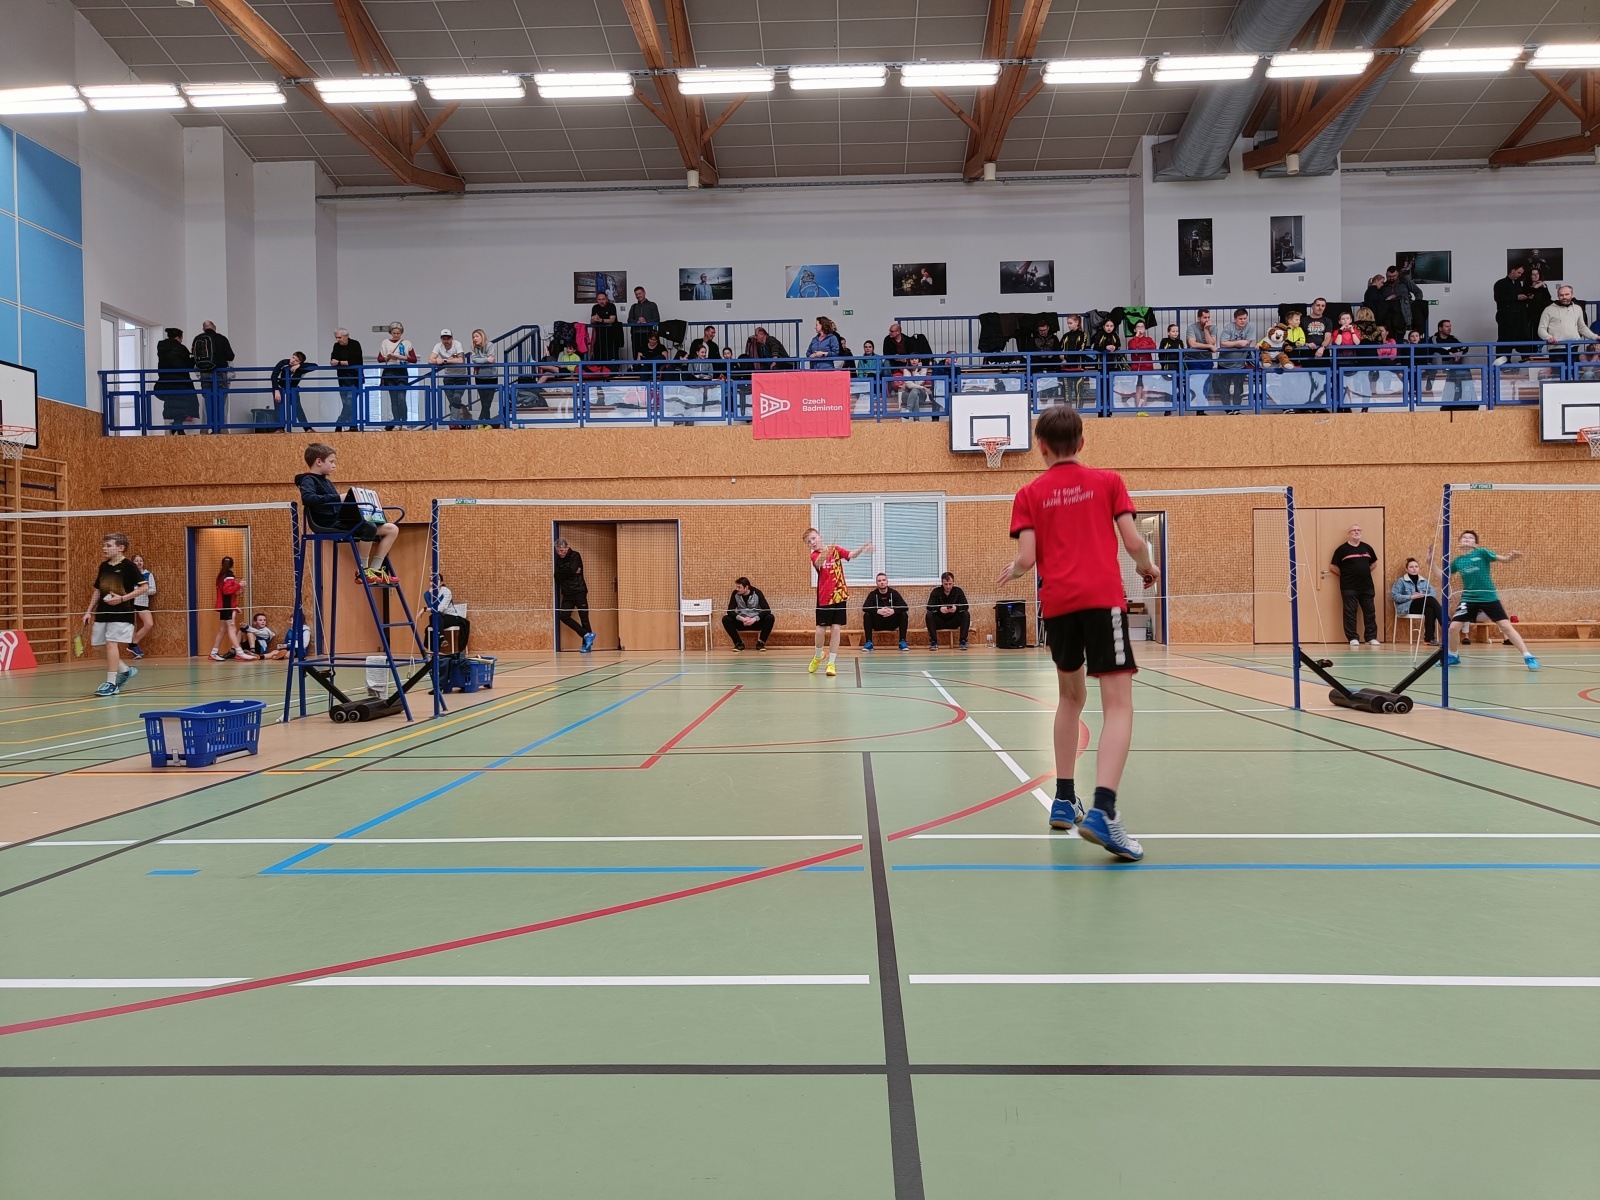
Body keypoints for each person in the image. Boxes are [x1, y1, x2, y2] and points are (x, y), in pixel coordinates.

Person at [998, 404, 1158, 861]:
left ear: (1041, 448)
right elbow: (1134, 542)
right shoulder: (1108, 482)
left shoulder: (1028, 493)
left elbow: (1027, 559)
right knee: (1118, 704)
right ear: (1082, 442)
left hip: (1059, 607)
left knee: (1070, 699)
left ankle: (1064, 798)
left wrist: (1014, 571)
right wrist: (1146, 567)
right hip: (1102, 601)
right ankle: (1104, 809)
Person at [295, 442, 400, 585]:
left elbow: (337, 504)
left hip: (339, 520)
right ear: (319, 462)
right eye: (331, 462)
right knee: (369, 527)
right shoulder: (307, 479)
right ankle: (362, 571)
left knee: (392, 529)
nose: (334, 465)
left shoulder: (326, 481)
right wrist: (339, 498)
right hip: (327, 523)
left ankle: (374, 570)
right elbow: (308, 498)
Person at [1445, 530, 1539, 671]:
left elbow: (1503, 559)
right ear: (1459, 542)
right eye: (1464, 537)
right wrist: (1431, 563)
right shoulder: (1458, 561)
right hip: (1469, 598)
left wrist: (1511, 557)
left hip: (1488, 597)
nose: (1467, 539)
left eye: (1471, 538)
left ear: (1475, 544)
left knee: (1506, 626)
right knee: (1453, 627)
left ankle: (1528, 656)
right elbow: (1444, 576)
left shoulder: (1482, 552)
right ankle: (1453, 655)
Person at [81, 532, 148, 696]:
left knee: (111, 643)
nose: (104, 548)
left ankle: (111, 683)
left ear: (121, 548)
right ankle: (125, 670)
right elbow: (98, 590)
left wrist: (123, 598)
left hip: (122, 612)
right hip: (103, 612)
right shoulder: (104, 566)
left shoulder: (129, 566)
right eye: (104, 545)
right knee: (98, 645)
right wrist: (88, 611)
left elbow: (144, 587)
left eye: (108, 546)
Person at [804, 527, 871, 677]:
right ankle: (818, 655)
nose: (812, 543)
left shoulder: (836, 550)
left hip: (839, 595)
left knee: (836, 629)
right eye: (808, 542)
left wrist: (862, 548)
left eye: (813, 538)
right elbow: (819, 562)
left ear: (820, 537)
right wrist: (826, 552)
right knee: (820, 630)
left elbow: (851, 555)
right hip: (824, 597)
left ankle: (831, 663)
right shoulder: (814, 556)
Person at [1329, 523, 1380, 647]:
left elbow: (1374, 564)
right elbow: (1333, 567)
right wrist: (1346, 575)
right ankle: (1353, 638)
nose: (1356, 532)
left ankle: (1371, 637)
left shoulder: (1367, 548)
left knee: (1370, 612)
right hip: (1349, 587)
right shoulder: (1342, 549)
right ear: (1349, 533)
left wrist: (1363, 572)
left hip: (1367, 586)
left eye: (1358, 530)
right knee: (1350, 612)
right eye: (1354, 530)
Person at [209, 556, 256, 662]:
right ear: (232, 565)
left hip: (225, 606)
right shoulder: (229, 575)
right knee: (232, 628)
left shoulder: (221, 575)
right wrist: (239, 585)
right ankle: (239, 652)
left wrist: (235, 605)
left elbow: (227, 592)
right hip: (227, 606)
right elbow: (227, 591)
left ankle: (213, 653)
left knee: (223, 630)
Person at [155, 327, 200, 433]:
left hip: (165, 382)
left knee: (175, 404)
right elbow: (189, 365)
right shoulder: (181, 348)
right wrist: (193, 355)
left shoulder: (161, 347)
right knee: (188, 403)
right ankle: (178, 425)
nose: (182, 340)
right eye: (181, 338)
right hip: (181, 381)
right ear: (178, 337)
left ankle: (178, 426)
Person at [554, 537, 594, 652]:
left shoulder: (575, 555)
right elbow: (557, 576)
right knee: (563, 616)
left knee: (584, 619)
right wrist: (570, 572)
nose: (560, 553)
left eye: (562, 550)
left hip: (579, 591)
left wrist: (566, 572)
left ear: (567, 548)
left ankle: (586, 646)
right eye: (558, 551)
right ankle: (586, 635)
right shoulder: (558, 559)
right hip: (567, 593)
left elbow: (571, 570)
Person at [191, 320, 235, 422]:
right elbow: (230, 356)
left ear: (203, 329)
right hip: (220, 372)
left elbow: (193, 357)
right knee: (221, 399)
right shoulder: (221, 338)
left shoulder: (197, 339)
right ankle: (219, 425)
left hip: (204, 373)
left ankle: (210, 423)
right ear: (214, 327)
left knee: (208, 399)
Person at [1390, 557, 1441, 645]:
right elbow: (1395, 596)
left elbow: (1433, 593)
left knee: (1430, 609)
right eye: (1411, 567)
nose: (1414, 568)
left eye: (1416, 566)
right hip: (1407, 607)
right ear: (1406, 569)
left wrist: (1422, 596)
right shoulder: (1401, 581)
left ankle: (1429, 638)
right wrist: (1411, 597)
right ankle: (1446, 622)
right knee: (1429, 599)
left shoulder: (1424, 581)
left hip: (1421, 606)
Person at [377, 321, 417, 428]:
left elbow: (414, 359)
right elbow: (379, 358)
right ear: (390, 333)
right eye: (394, 333)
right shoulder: (385, 342)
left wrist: (401, 357)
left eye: (398, 333)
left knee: (401, 398)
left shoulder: (407, 343)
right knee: (394, 399)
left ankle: (404, 422)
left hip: (401, 369)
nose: (396, 335)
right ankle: (396, 421)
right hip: (389, 371)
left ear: (401, 333)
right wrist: (388, 357)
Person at [1213, 307, 1254, 410]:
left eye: (1244, 318)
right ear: (1235, 319)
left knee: (1238, 390)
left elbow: (1247, 343)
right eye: (1240, 319)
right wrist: (1238, 343)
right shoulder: (1229, 328)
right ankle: (1228, 411)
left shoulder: (1250, 326)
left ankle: (1236, 410)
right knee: (1224, 390)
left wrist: (1231, 343)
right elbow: (1223, 343)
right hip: (1224, 364)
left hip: (1240, 365)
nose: (1243, 321)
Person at [1431, 319, 1477, 409]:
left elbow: (1465, 346)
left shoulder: (1454, 338)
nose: (1449, 328)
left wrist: (1460, 353)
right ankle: (1440, 377)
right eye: (1447, 326)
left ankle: (1466, 377)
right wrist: (1450, 354)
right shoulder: (1434, 338)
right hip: (1442, 362)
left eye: (1450, 326)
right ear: (1440, 328)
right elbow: (1435, 348)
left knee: (1465, 355)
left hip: (1454, 360)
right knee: (1436, 354)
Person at [1537, 284, 1596, 350]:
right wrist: (1549, 337)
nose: (1564, 297)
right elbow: (1541, 329)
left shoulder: (1577, 308)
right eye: (1561, 295)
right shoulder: (1548, 309)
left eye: (1567, 294)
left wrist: (1595, 337)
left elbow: (1582, 327)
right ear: (1558, 296)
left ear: (1572, 294)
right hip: (1556, 347)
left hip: (1574, 346)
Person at [722, 576, 774, 650]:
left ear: (746, 587)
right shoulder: (735, 593)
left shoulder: (757, 593)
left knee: (770, 617)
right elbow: (730, 611)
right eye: (736, 587)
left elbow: (767, 610)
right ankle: (738, 643)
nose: (737, 589)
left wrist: (754, 619)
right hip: (742, 622)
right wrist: (742, 619)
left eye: (739, 587)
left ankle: (761, 643)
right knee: (725, 619)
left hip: (755, 622)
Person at [328, 327, 364, 431]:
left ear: (346, 336)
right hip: (343, 378)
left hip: (355, 378)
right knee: (346, 403)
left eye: (339, 337)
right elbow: (333, 359)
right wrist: (340, 362)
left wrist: (339, 362)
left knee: (349, 403)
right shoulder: (336, 346)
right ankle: (353, 426)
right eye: (336, 337)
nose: (338, 340)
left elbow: (355, 361)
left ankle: (339, 423)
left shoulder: (355, 344)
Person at [861, 573, 909, 651]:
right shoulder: (873, 594)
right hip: (878, 624)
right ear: (876, 583)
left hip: (891, 623)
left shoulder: (894, 593)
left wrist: (893, 611)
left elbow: (905, 607)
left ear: (887, 581)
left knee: (904, 614)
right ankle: (869, 642)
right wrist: (878, 611)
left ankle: (902, 641)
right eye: (879, 581)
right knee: (867, 615)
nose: (882, 582)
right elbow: (865, 607)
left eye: (883, 580)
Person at [424, 575, 471, 655]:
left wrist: (425, 609)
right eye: (431, 580)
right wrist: (432, 595)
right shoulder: (427, 594)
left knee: (435, 618)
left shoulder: (446, 591)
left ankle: (438, 646)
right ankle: (441, 639)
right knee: (433, 617)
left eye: (436, 580)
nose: (433, 582)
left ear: (441, 583)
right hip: (439, 617)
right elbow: (433, 609)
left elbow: (440, 609)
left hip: (451, 616)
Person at [432, 330, 471, 425]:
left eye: (448, 338)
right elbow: (430, 359)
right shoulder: (438, 346)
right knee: (452, 401)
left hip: (461, 376)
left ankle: (453, 422)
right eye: (444, 339)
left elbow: (461, 360)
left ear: (452, 338)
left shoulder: (457, 344)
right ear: (441, 339)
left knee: (456, 398)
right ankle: (461, 420)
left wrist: (445, 361)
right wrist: (437, 360)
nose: (446, 341)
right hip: (448, 376)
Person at [924, 571, 969, 650]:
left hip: (953, 621)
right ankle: (934, 642)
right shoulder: (936, 591)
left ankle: (963, 641)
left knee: (966, 613)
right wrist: (939, 609)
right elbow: (929, 606)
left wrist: (956, 608)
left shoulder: (958, 591)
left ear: (953, 582)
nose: (948, 586)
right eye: (945, 584)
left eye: (950, 584)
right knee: (929, 614)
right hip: (940, 622)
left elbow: (966, 606)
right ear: (942, 583)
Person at [1493, 265, 1530, 359]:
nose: (1520, 275)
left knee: (1523, 339)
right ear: (1512, 270)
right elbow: (1498, 298)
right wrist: (1516, 297)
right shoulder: (1500, 283)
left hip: (1519, 317)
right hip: (1506, 317)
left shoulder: (1518, 283)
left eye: (1521, 273)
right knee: (1505, 340)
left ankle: (1526, 361)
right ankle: (1503, 363)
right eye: (1518, 272)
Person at [272, 351, 314, 431]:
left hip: (293, 389)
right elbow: (274, 375)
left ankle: (307, 428)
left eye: (296, 361)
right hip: (280, 388)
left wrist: (299, 366)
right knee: (279, 408)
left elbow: (314, 366)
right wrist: (276, 390)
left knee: (297, 408)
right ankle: (280, 428)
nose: (293, 361)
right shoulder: (284, 363)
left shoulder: (301, 368)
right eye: (293, 358)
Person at [129, 552, 155, 659]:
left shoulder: (148, 575)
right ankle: (135, 651)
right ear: (132, 563)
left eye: (141, 561)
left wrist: (143, 590)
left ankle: (133, 644)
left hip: (143, 603)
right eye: (136, 561)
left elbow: (153, 590)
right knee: (133, 626)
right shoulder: (129, 575)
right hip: (130, 603)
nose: (139, 563)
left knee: (149, 624)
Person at [468, 329, 498, 423]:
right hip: (479, 377)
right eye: (473, 337)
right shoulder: (473, 347)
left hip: (491, 377)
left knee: (488, 401)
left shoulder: (490, 345)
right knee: (483, 401)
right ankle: (486, 422)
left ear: (482, 336)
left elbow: (491, 359)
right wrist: (486, 360)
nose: (475, 339)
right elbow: (474, 359)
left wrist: (481, 360)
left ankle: (482, 420)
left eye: (477, 336)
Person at [626, 285, 660, 357]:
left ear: (644, 293)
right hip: (636, 335)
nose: (638, 296)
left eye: (640, 293)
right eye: (636, 294)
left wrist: (646, 322)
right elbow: (629, 320)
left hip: (648, 334)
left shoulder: (652, 305)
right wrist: (637, 322)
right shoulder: (633, 306)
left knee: (648, 355)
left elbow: (657, 319)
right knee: (636, 355)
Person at [589, 291, 622, 361]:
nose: (601, 301)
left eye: (603, 299)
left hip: (612, 336)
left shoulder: (611, 306)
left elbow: (612, 319)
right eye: (599, 299)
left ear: (607, 299)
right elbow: (592, 321)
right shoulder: (595, 307)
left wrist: (601, 320)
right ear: (597, 300)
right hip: (599, 337)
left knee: (612, 357)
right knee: (599, 357)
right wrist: (594, 319)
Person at [1524, 267, 1553, 338]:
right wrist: (1535, 287)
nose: (1536, 276)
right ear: (1530, 276)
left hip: (1542, 312)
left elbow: (1548, 298)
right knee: (1532, 333)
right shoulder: (1526, 286)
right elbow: (1529, 296)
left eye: (1537, 274)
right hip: (1531, 314)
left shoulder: (1543, 286)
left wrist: (1544, 288)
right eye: (1533, 274)